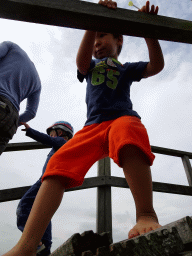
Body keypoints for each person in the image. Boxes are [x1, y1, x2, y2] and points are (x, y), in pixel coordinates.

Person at [3, 1, 164, 255]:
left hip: (120, 118)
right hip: (91, 127)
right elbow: (81, 62)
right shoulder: (89, 67)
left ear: (119, 40)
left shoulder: (126, 68)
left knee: (130, 130)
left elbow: (156, 66)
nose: (97, 43)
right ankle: (27, 244)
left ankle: (145, 213)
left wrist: (148, 31)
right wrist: (92, 22)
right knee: (57, 164)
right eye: (94, 37)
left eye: (102, 36)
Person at [16, 121, 74, 256]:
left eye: (52, 133)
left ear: (59, 132)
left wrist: (30, 131)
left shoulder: (60, 141)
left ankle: (34, 242)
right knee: (44, 215)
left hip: (45, 181)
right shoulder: (62, 146)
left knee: (24, 206)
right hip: (51, 181)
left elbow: (45, 139)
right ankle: (45, 248)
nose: (51, 136)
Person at [0, 41, 41, 154]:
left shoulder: (10, 46)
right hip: (11, 119)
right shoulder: (37, 81)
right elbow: (31, 112)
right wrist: (14, 122)